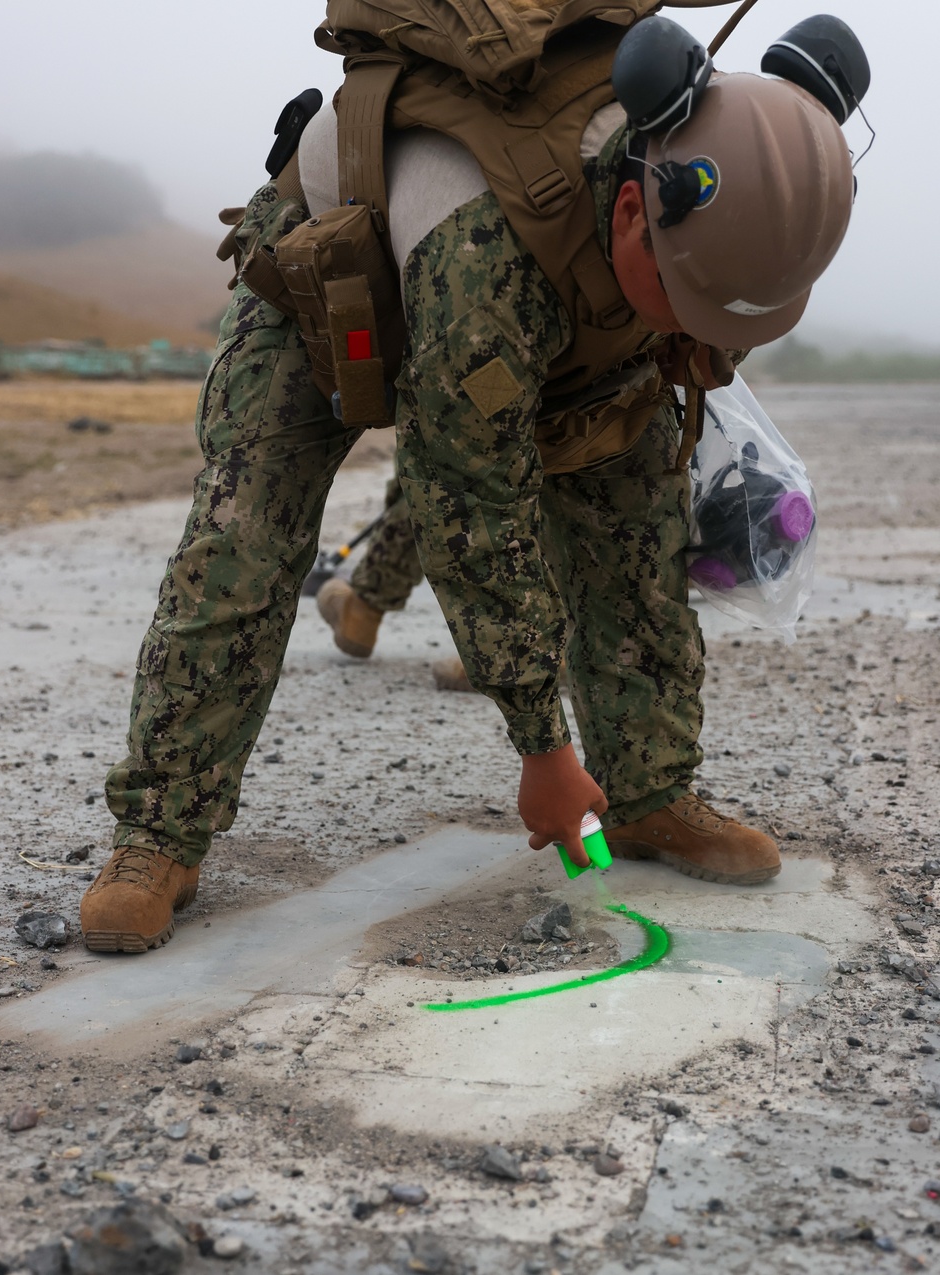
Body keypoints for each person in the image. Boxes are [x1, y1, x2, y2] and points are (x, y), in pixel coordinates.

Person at [80, 7, 857, 953]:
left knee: (635, 530)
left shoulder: (704, 219)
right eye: (687, 303)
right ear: (631, 216)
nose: (697, 330)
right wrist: (544, 748)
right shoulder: (487, 268)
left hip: (547, 299)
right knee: (242, 542)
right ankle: (159, 833)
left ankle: (650, 792)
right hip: (324, 270)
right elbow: (471, 510)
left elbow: (632, 514)